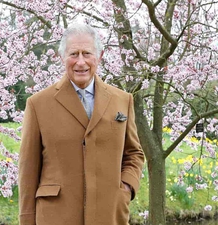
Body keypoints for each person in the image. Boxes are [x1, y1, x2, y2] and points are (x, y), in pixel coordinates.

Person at [18, 23, 145, 225]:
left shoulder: (123, 100)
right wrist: (26, 220)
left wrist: (126, 187)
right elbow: (28, 169)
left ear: (99, 56)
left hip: (109, 214)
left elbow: (134, 154)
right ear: (62, 57)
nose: (80, 62)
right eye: (73, 54)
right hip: (56, 217)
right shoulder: (38, 104)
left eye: (87, 53)